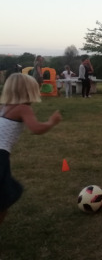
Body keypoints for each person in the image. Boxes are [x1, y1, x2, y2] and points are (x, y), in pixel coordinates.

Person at [0, 73, 62, 225]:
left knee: (7, 195)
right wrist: (51, 122)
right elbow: (36, 129)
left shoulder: (3, 107)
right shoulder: (23, 109)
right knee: (6, 196)